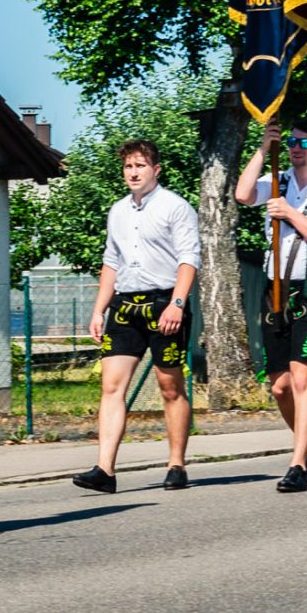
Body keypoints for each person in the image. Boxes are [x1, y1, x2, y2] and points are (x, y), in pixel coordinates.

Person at [73, 139, 201, 497]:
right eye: (128, 166)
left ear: (155, 170)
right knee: (111, 387)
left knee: (170, 387)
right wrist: (98, 309)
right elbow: (110, 262)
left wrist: (177, 303)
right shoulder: (118, 211)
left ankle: (176, 464)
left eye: (140, 165)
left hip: (164, 304)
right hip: (125, 307)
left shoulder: (176, 207)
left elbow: (189, 258)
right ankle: (105, 469)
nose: (133, 172)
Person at [236, 122, 307, 493]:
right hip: (275, 290)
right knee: (280, 386)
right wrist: (262, 149)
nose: (296, 147)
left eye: (304, 142)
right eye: (291, 141)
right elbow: (242, 194)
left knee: (302, 378)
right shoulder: (278, 179)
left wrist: (289, 213)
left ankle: (297, 462)